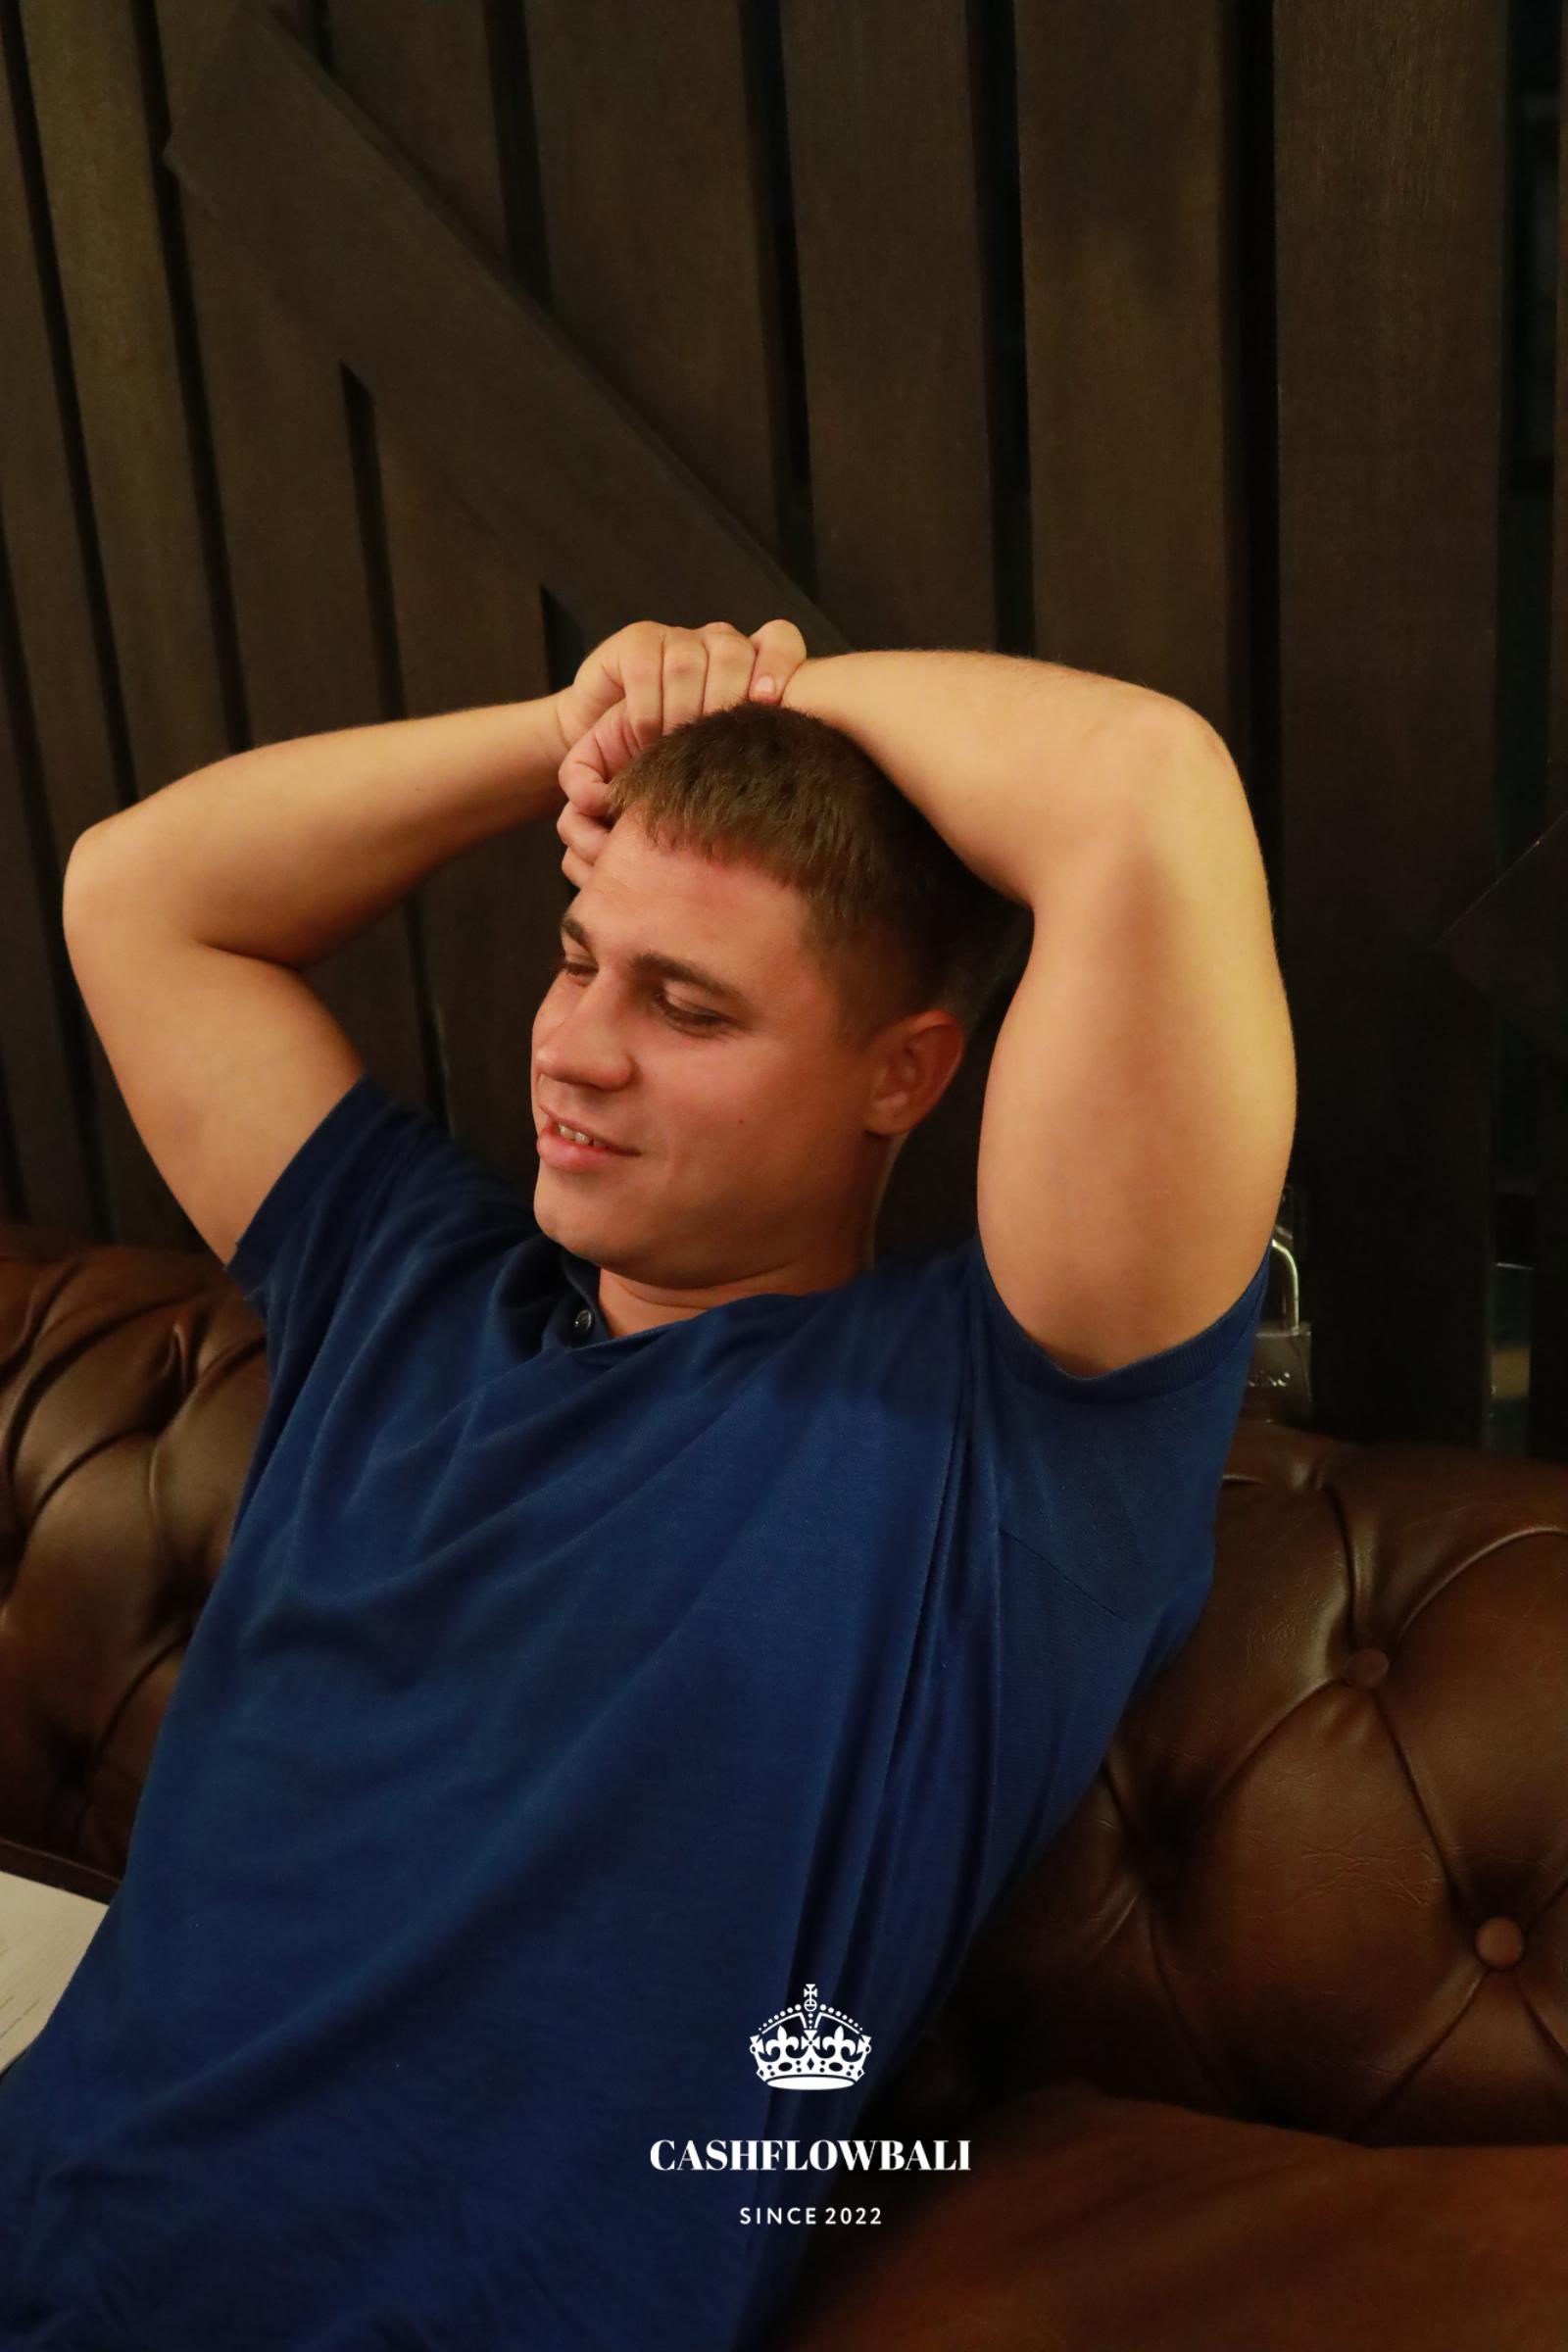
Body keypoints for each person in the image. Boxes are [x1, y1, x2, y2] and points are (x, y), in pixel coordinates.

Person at [0, 620, 1294, 2349]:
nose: (577, 1050)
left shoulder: (1001, 1442)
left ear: (903, 1073)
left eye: (687, 1006)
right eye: (577, 960)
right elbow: (134, 894)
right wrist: (574, 722)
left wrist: (769, 692)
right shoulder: (403, 1283)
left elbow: (1143, 791)